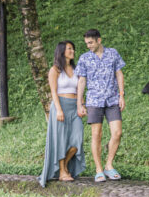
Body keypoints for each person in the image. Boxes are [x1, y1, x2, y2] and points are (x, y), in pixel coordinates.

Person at [75, 29, 125, 182]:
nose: (88, 45)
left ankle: (109, 165)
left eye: (90, 42)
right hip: (94, 101)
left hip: (112, 99)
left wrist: (121, 95)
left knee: (117, 133)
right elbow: (82, 81)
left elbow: (119, 73)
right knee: (97, 134)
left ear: (99, 40)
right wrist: (80, 103)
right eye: (86, 43)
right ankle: (98, 169)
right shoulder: (84, 58)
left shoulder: (112, 53)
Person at [39, 41, 85, 187]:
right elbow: (53, 92)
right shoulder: (55, 70)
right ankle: (62, 172)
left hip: (74, 106)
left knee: (77, 140)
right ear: (62, 51)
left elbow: (80, 90)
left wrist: (82, 105)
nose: (72, 50)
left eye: (73, 48)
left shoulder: (76, 69)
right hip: (61, 106)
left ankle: (63, 166)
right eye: (69, 48)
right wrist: (58, 109)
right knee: (61, 139)